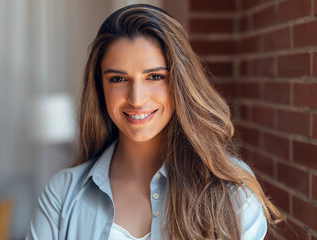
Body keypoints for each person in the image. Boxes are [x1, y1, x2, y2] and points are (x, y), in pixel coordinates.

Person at [26, 4, 284, 240]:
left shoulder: (231, 193)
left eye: (154, 77)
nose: (136, 99)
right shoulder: (61, 195)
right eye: (118, 79)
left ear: (180, 83)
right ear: (99, 87)